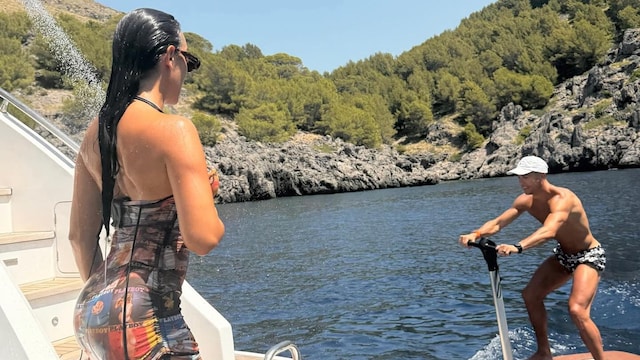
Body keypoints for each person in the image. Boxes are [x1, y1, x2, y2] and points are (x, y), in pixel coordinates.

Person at [68, 8, 225, 359]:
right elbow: (203, 238)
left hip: (93, 309)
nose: (187, 71)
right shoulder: (174, 130)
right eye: (188, 60)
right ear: (170, 56)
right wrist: (205, 193)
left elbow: (79, 237)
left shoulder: (96, 133)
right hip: (147, 315)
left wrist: (112, 301)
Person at [458, 156, 606, 360]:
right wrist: (475, 234)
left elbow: (549, 230)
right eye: (520, 177)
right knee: (530, 295)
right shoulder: (525, 200)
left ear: (541, 176)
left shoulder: (563, 199)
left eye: (526, 177)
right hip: (564, 255)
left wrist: (517, 247)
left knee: (577, 310)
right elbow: (498, 223)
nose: (521, 182)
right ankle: (544, 352)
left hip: (588, 255)